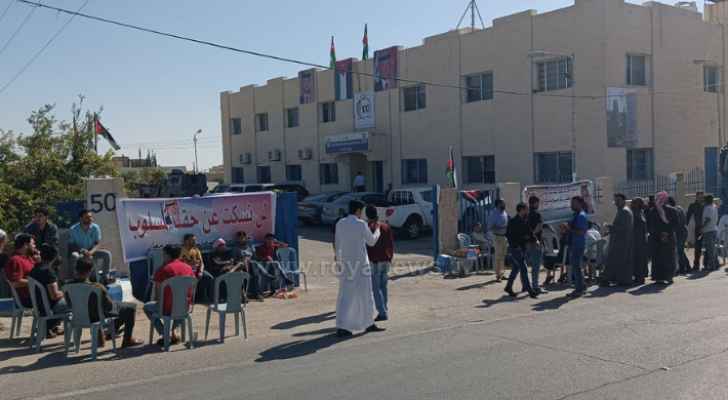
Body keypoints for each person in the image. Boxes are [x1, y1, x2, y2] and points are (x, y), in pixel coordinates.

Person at [334, 200, 383, 338]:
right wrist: (378, 230)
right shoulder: (361, 224)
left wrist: (339, 262)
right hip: (361, 265)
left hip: (346, 264)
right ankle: (369, 323)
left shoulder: (340, 223)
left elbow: (337, 245)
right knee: (366, 294)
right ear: (358, 211)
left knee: (345, 296)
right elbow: (372, 241)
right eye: (361, 211)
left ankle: (341, 326)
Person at [71, 258, 143, 348]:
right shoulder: (97, 287)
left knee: (119, 308)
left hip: (80, 315)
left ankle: (112, 330)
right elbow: (109, 306)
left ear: (76, 269)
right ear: (90, 271)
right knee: (130, 308)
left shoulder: (67, 286)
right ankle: (127, 339)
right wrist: (105, 290)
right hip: (97, 315)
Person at [144, 244, 195, 346]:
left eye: (163, 254)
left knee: (146, 307)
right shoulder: (188, 268)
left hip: (166, 308)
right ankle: (172, 332)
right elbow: (192, 288)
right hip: (185, 307)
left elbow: (158, 295)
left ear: (167, 255)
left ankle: (165, 333)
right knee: (180, 310)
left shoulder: (163, 270)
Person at [29, 244, 68, 337]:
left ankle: (50, 326)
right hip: (49, 308)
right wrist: (66, 292)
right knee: (75, 300)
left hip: (39, 306)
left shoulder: (34, 270)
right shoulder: (48, 272)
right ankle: (48, 325)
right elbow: (54, 296)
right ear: (54, 258)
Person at [365, 205, 395, 322]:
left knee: (376, 289)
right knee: (384, 287)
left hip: (375, 261)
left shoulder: (369, 227)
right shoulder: (385, 226)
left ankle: (382, 312)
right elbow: (391, 244)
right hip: (386, 260)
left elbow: (367, 246)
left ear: (367, 215)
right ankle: (384, 308)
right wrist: (390, 257)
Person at [504, 203, 538, 299]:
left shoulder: (525, 220)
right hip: (515, 249)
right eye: (526, 209)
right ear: (521, 210)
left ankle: (508, 287)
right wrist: (515, 246)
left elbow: (529, 232)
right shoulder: (513, 221)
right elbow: (508, 235)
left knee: (516, 268)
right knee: (524, 268)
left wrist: (536, 240)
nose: (527, 211)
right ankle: (530, 290)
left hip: (522, 248)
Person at [601, 194, 633, 287]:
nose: (616, 202)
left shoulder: (624, 211)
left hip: (621, 241)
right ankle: (619, 280)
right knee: (618, 261)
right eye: (615, 200)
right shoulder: (622, 211)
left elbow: (623, 228)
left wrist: (609, 227)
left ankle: (615, 279)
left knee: (616, 261)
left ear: (624, 200)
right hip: (619, 240)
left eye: (618, 200)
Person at [68, 209, 111, 279]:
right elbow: (71, 245)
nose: (90, 219)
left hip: (92, 251)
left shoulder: (95, 227)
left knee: (107, 254)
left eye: (91, 217)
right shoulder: (73, 229)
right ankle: (76, 278)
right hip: (79, 252)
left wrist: (90, 252)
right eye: (87, 217)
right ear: (81, 219)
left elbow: (97, 243)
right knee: (74, 256)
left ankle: (105, 276)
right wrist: (81, 250)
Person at [647, 192, 679, 285]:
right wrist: (664, 233)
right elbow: (675, 224)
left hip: (661, 238)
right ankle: (664, 277)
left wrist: (663, 234)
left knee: (663, 258)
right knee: (663, 258)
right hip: (663, 238)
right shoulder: (654, 211)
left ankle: (663, 277)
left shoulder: (655, 210)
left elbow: (650, 225)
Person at [5, 233, 38, 308]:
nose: (35, 246)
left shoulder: (29, 258)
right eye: (33, 244)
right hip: (26, 299)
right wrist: (38, 282)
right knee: (57, 298)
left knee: (57, 295)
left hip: (35, 295)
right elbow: (15, 283)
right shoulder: (15, 260)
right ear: (26, 245)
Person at [232, 231, 268, 301]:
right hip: (242, 266)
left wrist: (263, 258)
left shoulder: (250, 246)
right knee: (247, 261)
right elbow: (234, 260)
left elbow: (255, 257)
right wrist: (244, 260)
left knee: (254, 267)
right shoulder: (235, 249)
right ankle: (266, 274)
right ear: (237, 239)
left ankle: (257, 294)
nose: (242, 239)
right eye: (240, 238)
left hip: (252, 266)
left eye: (243, 237)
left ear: (246, 238)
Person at [567, 196, 589, 298]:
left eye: (574, 203)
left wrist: (569, 229)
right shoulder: (575, 215)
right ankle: (582, 286)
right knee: (577, 266)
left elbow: (581, 231)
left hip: (578, 244)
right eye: (572, 203)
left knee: (576, 267)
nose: (572, 205)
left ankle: (579, 289)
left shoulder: (581, 216)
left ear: (580, 204)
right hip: (574, 243)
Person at [526, 196, 545, 294]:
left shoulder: (526, 214)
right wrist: (533, 235)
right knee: (536, 266)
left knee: (525, 265)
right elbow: (539, 226)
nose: (538, 205)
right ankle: (535, 286)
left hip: (527, 242)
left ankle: (526, 285)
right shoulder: (537, 214)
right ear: (534, 203)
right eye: (538, 203)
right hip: (536, 242)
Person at [487, 199, 509, 281]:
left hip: (504, 237)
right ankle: (497, 275)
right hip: (497, 237)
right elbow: (490, 227)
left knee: (503, 255)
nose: (504, 204)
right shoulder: (493, 214)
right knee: (498, 256)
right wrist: (501, 228)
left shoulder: (504, 212)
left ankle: (502, 273)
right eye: (502, 203)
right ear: (498, 204)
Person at [669, 197, 690, 275]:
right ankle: (687, 267)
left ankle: (682, 268)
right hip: (683, 231)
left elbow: (676, 222)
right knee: (680, 250)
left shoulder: (674, 210)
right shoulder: (679, 208)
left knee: (679, 250)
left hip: (680, 232)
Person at [631, 198, 650, 285]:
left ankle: (640, 277)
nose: (631, 204)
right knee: (639, 259)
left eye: (633, 203)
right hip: (639, 239)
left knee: (639, 259)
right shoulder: (638, 212)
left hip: (638, 239)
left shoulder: (637, 213)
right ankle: (639, 277)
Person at [686, 191, 705, 271]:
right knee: (698, 247)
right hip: (698, 229)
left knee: (708, 247)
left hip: (706, 228)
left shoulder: (706, 205)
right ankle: (696, 265)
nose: (701, 198)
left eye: (702, 197)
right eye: (699, 197)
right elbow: (688, 216)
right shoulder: (692, 205)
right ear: (696, 197)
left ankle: (708, 263)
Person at [702, 195, 719, 271]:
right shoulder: (714, 206)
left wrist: (702, 227)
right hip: (714, 229)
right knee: (713, 249)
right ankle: (716, 264)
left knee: (710, 249)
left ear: (706, 201)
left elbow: (708, 219)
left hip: (708, 230)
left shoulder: (707, 208)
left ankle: (712, 266)